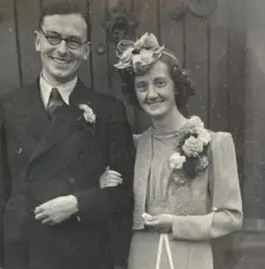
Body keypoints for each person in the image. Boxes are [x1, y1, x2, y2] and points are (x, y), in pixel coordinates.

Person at [0, 2, 135, 269]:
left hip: (84, 253)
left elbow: (125, 194)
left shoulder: (108, 109)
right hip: (25, 254)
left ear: (86, 51)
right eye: (53, 37)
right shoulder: (9, 105)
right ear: (37, 41)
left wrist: (78, 203)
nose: (62, 50)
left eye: (74, 42)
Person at [101, 33, 243, 269]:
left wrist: (176, 224)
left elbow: (231, 218)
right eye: (142, 86)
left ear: (176, 87)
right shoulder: (132, 146)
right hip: (141, 258)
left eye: (160, 83)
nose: (151, 94)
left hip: (190, 259)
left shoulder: (215, 143)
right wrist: (103, 182)